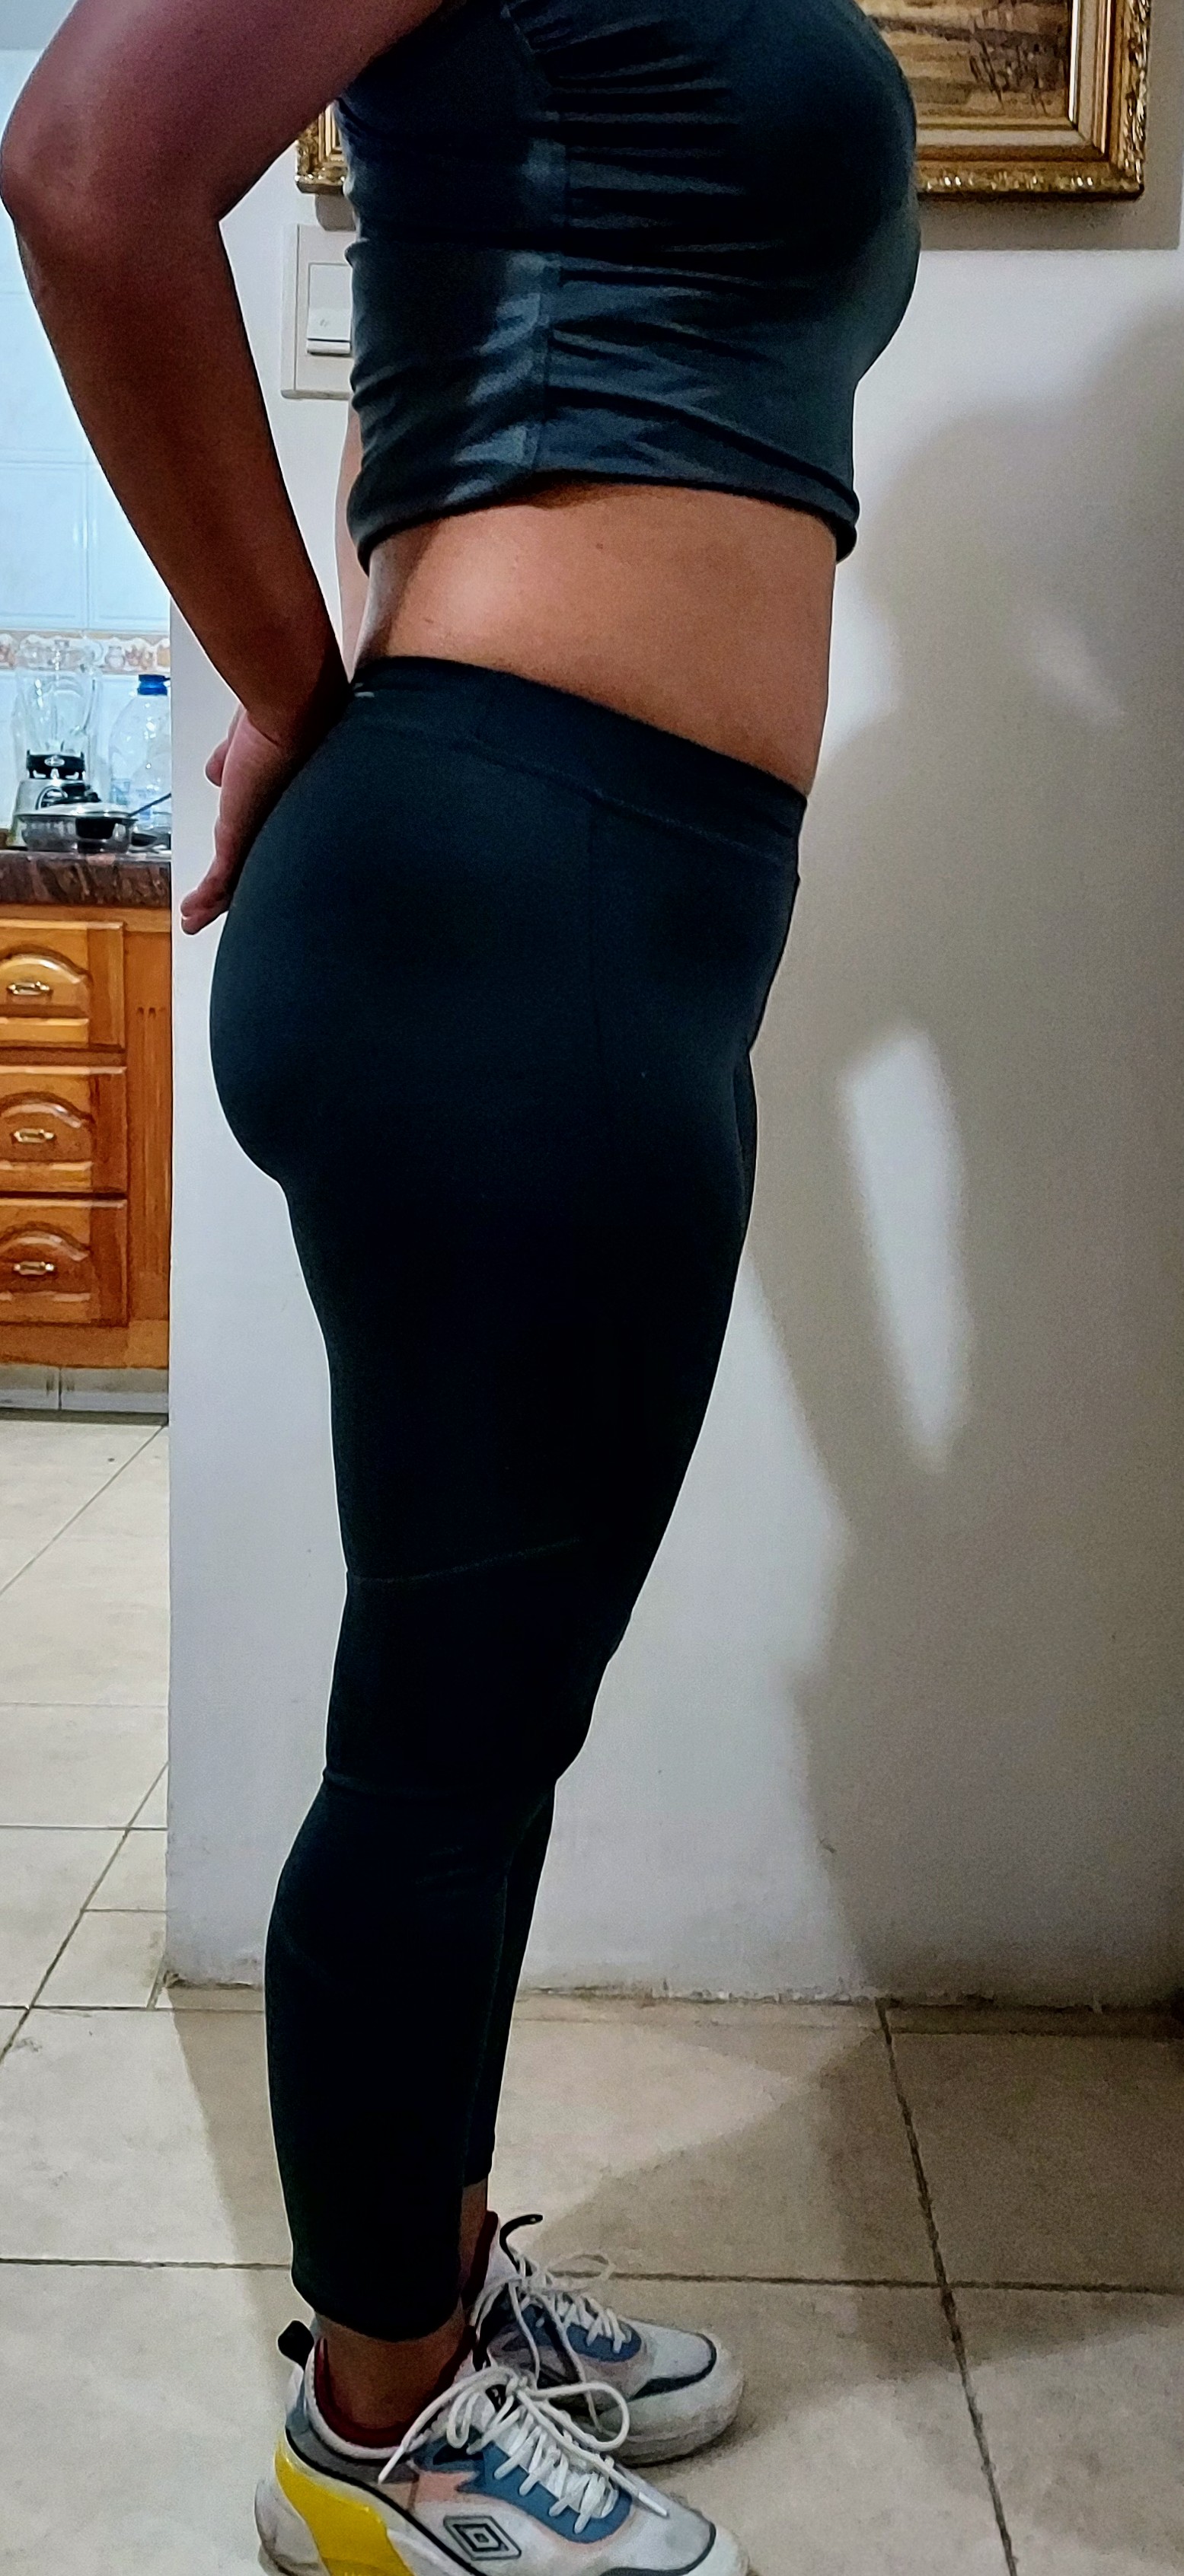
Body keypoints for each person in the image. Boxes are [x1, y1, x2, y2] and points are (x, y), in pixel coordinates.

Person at [1, 1, 918, 2566]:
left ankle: (425, 2273)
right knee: (446, 1732)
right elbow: (88, 167)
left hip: (592, 905)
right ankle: (375, 2430)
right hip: (509, 881)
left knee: (486, 1713)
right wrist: (289, 686)